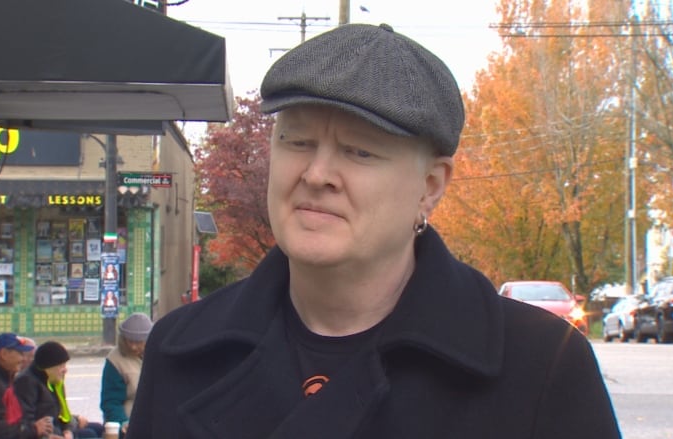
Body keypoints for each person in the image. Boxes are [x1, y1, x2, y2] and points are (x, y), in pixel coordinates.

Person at [126, 23, 621, 438]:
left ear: (430, 186)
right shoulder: (181, 349)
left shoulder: (539, 366)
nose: (316, 174)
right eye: (297, 140)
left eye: (358, 151)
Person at [15, 341, 104, 439]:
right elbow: (26, 422)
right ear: (48, 367)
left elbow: (62, 413)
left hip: (59, 429)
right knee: (90, 435)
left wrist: (68, 430)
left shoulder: (55, 381)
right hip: (45, 434)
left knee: (99, 428)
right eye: (61, 366)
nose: (65, 370)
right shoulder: (26, 382)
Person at [100, 313, 153, 437]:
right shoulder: (115, 361)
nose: (133, 347)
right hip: (128, 421)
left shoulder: (158, 355)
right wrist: (123, 422)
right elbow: (111, 402)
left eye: (139, 342)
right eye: (130, 341)